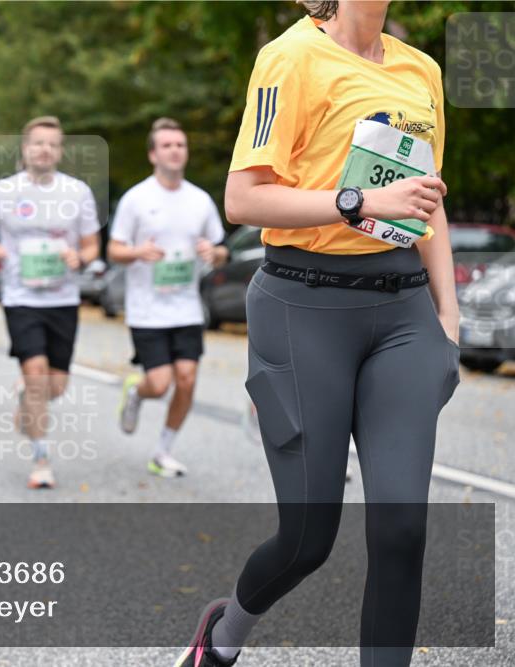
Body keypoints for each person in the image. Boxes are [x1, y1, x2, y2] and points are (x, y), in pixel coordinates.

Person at [176, 2, 458, 666]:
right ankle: (222, 636)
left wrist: (448, 322)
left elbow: (428, 200)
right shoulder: (288, 57)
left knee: (402, 526)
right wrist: (357, 201)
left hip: (405, 313)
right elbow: (243, 198)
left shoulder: (421, 70)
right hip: (302, 305)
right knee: (308, 536)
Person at [0, 116, 100, 490]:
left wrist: (81, 257)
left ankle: (27, 398)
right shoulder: (2, 192)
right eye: (38, 143)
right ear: (24, 148)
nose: (44, 149)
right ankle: (41, 459)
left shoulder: (77, 193)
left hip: (63, 298)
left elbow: (91, 245)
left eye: (52, 144)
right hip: (20, 296)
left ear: (60, 151)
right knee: (37, 372)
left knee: (55, 385)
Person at [108, 117, 228, 477]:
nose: (175, 150)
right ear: (152, 154)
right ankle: (136, 392)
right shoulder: (136, 200)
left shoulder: (200, 200)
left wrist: (213, 252)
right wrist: (136, 253)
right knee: (159, 385)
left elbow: (222, 249)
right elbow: (113, 250)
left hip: (187, 307)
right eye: (167, 145)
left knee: (188, 379)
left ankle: (162, 450)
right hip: (147, 309)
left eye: (180, 145)